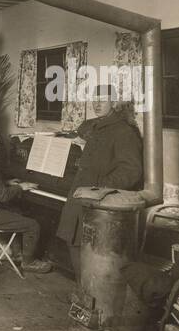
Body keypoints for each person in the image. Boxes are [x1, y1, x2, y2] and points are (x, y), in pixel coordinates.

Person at [55, 91, 144, 273]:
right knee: (72, 240)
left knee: (92, 253)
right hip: (79, 194)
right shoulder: (92, 125)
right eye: (94, 99)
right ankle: (83, 292)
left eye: (102, 99)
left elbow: (131, 172)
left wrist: (98, 186)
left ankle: (89, 294)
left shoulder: (124, 131)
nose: (97, 103)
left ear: (114, 103)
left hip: (98, 201)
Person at [0, 126, 53, 273]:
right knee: (33, 225)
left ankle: (18, 253)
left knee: (18, 211)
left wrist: (6, 182)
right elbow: (4, 196)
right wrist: (21, 187)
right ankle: (28, 262)